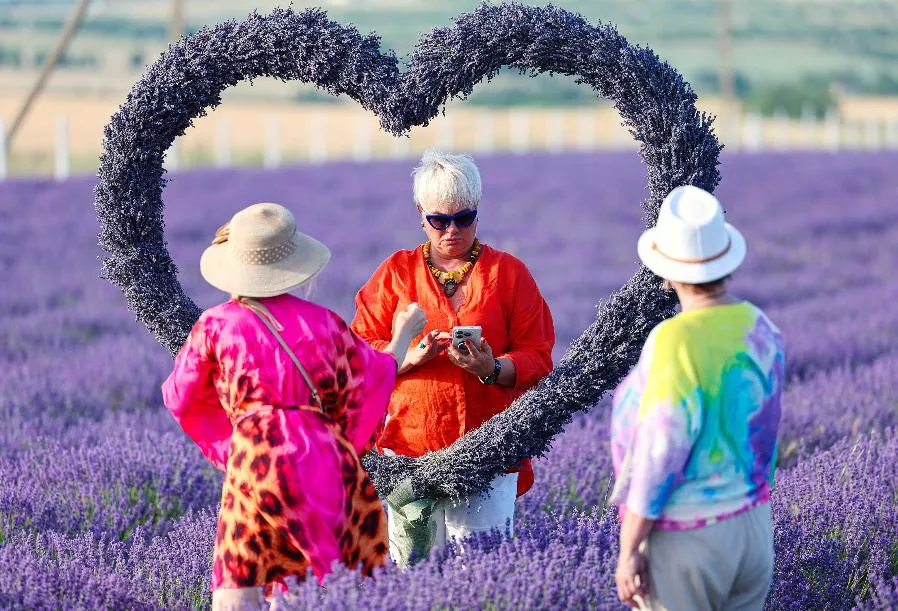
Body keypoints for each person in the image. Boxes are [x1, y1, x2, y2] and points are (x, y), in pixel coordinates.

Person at [161, 202, 426, 610]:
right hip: (319, 455)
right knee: (325, 582)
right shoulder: (323, 323)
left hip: (255, 458)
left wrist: (232, 440)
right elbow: (370, 381)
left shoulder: (215, 325)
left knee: (240, 576)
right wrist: (403, 334)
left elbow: (180, 396)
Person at [351, 150, 555, 564]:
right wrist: (408, 358)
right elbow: (356, 355)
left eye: (464, 218)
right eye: (439, 220)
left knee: (481, 571)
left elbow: (538, 355)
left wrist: (492, 368)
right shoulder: (395, 273)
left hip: (489, 448)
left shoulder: (508, 274)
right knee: (413, 571)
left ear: (478, 213)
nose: (451, 231)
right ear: (420, 214)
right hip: (410, 450)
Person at [610, 185, 785, 610]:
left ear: (669, 271)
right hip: (753, 527)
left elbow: (659, 451)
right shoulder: (760, 327)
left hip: (690, 538)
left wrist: (629, 546)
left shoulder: (675, 341)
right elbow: (766, 433)